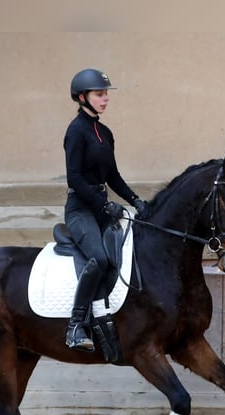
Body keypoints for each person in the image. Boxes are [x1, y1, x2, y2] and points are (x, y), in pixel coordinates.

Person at [63, 68, 148, 352]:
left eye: (106, 95)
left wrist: (136, 200)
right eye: (99, 94)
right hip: (80, 210)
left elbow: (112, 176)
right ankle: (76, 326)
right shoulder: (76, 131)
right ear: (81, 97)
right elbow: (74, 177)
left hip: (102, 209)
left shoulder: (105, 132)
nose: (105, 99)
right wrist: (103, 203)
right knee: (98, 258)